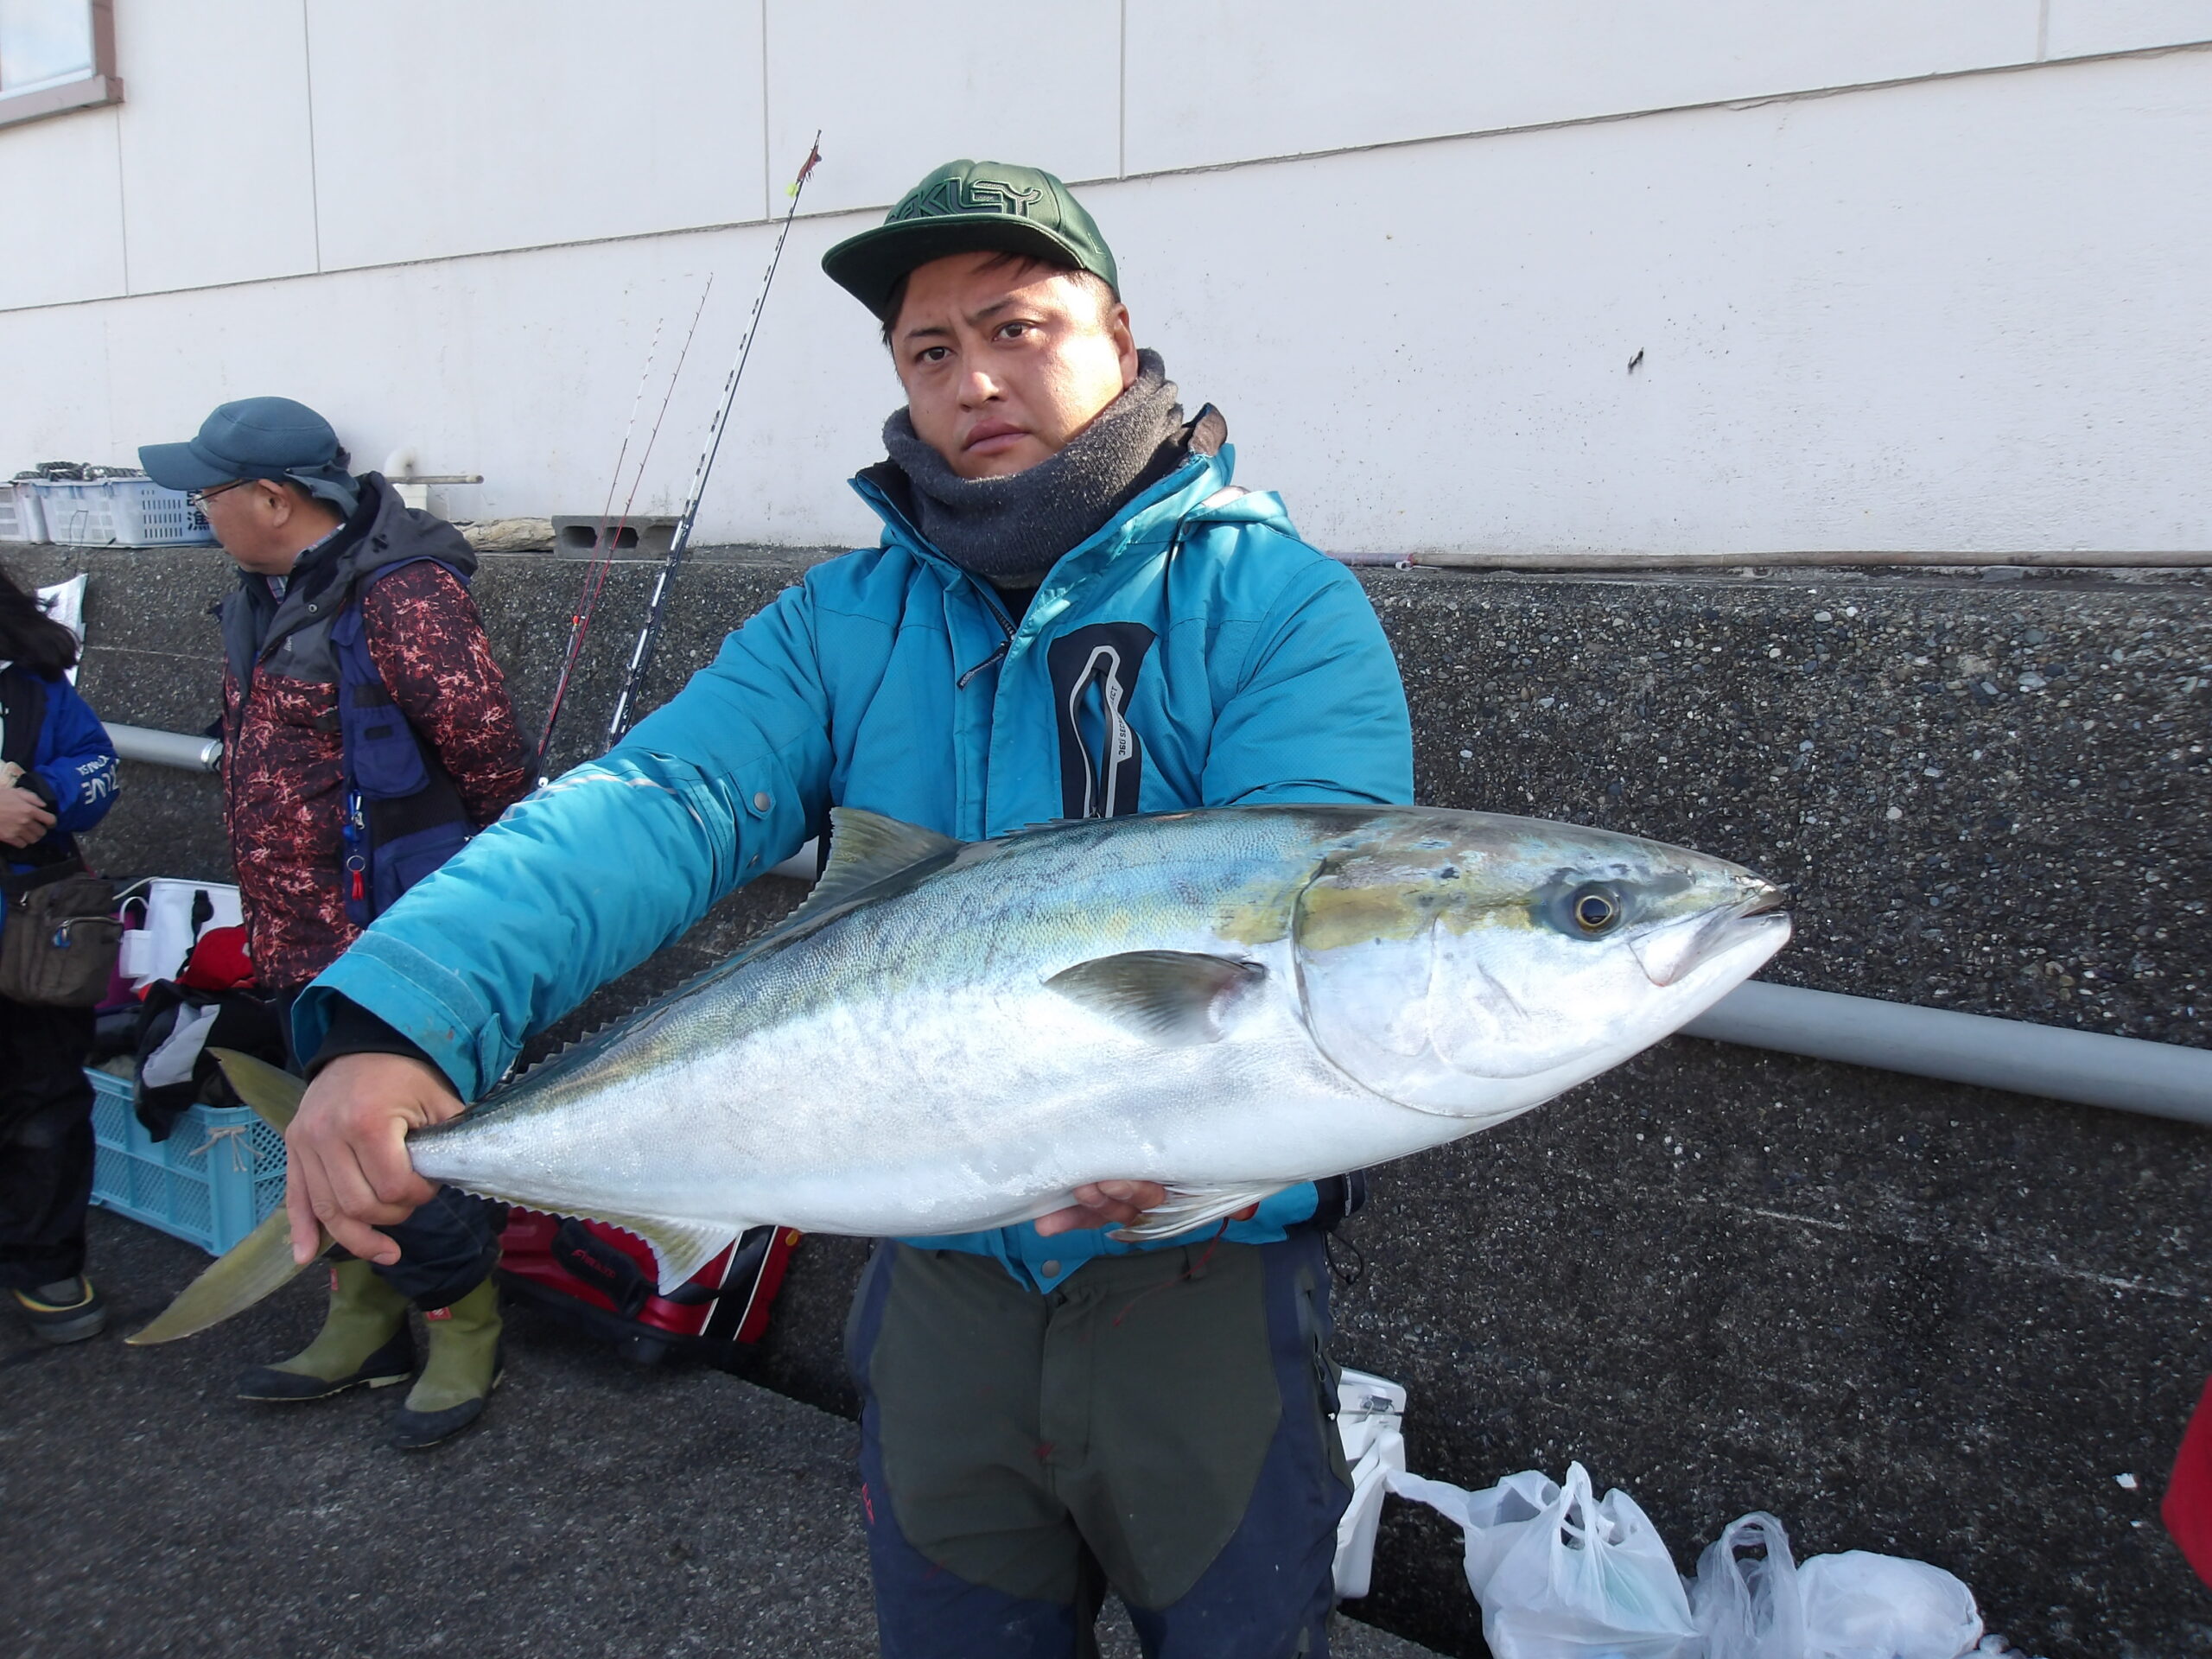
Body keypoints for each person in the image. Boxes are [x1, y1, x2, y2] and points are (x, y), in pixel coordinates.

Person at [281, 161, 1413, 1653]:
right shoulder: (843, 622)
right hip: (940, 1275)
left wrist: (1224, 1155)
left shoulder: (1270, 604)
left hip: (1205, 1287)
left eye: (1018, 328)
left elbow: (1313, 921)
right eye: (929, 351)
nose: (976, 379)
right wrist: (399, 1013)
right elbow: (658, 804)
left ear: (1122, 336)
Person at [139, 399, 531, 1448]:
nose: (198, 510)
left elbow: (489, 752)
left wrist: (469, 919)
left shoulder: (404, 595)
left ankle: (462, 1328)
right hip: (293, 933)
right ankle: (360, 1316)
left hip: (391, 938)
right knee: (324, 1133)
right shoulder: (265, 593)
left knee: (406, 1146)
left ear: (273, 498)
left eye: (208, 493)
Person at [0, 564, 119, 1343]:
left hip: (30, 940)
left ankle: (46, 1261)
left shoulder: (35, 687)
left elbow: (98, 769)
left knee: (44, 1102)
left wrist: (38, 793)